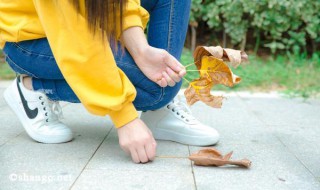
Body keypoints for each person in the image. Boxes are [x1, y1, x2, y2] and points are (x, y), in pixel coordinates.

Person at [0, 0, 219, 163]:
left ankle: (160, 111)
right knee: (155, 93)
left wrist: (140, 50)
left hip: (82, 23)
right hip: (29, 41)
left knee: (160, 89)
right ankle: (33, 89)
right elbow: (75, 38)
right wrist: (124, 117)